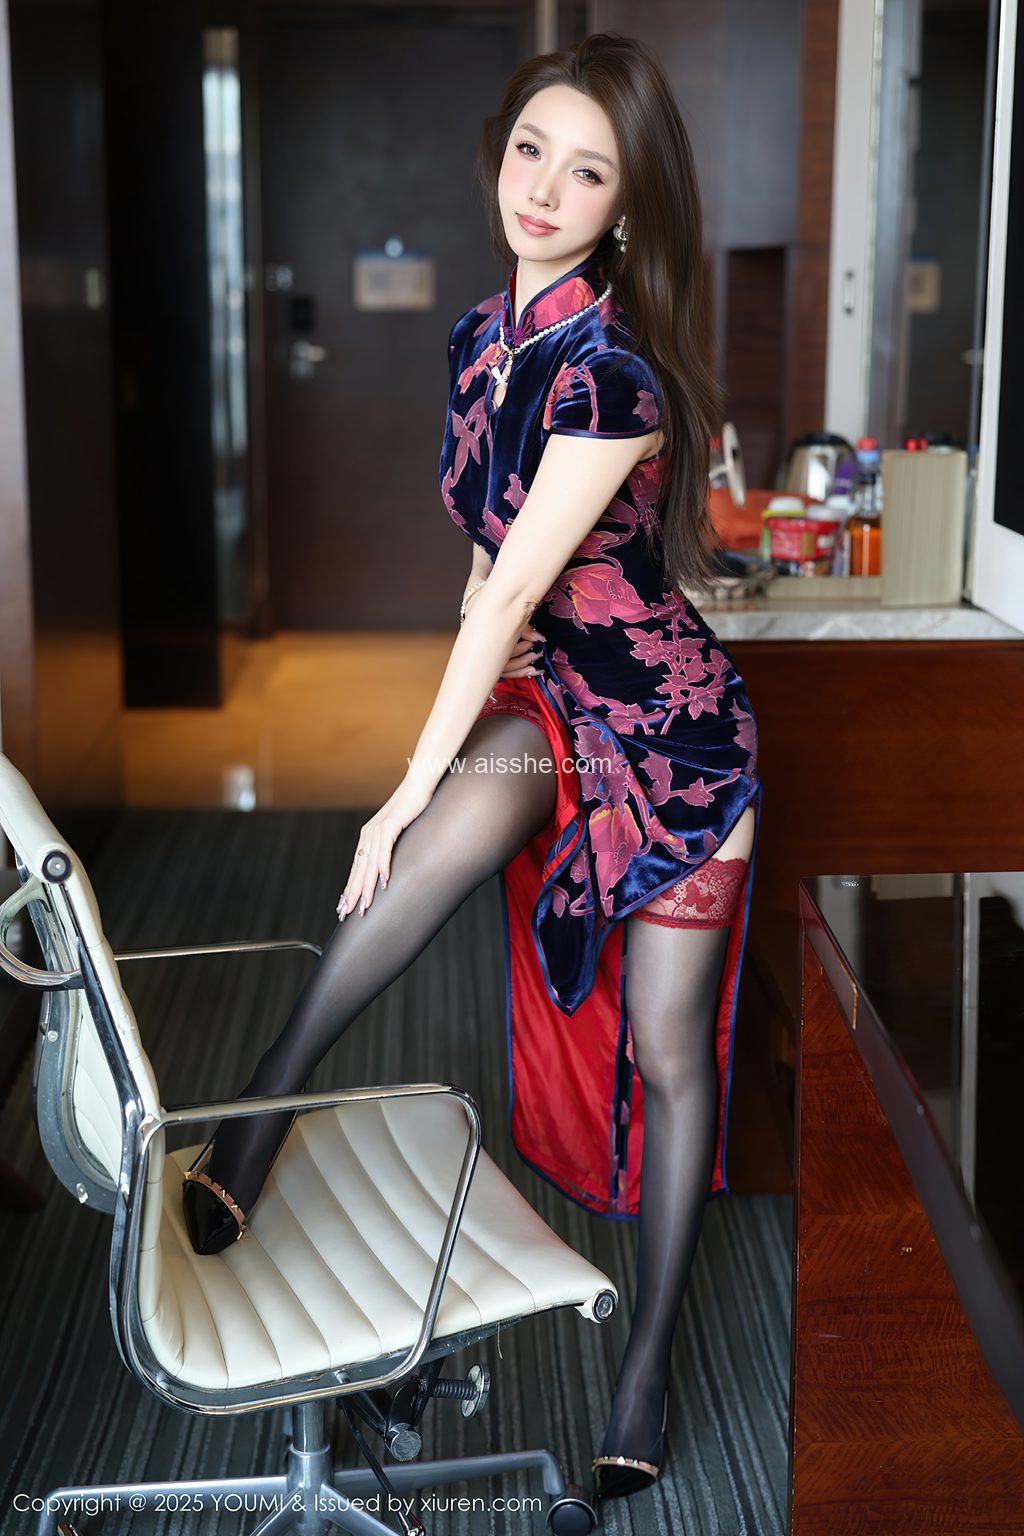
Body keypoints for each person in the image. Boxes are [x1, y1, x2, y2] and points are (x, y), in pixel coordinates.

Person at [182, 32, 762, 1507]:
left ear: (627, 206)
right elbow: (491, 562)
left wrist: (396, 779)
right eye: (529, 150)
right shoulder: (481, 339)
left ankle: (650, 1362)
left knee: (669, 1046)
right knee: (435, 853)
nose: (545, 189)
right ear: (498, 152)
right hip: (555, 699)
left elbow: (508, 593)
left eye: (589, 172)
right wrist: (437, 752)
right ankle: (258, 1117)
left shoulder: (612, 372)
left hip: (675, 740)